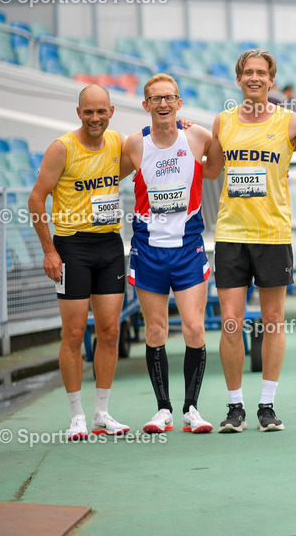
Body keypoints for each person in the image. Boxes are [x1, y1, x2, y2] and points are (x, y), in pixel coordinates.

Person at [206, 49, 296, 433]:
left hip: (273, 234)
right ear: (239, 79)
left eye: (262, 73)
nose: (255, 78)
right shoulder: (222, 121)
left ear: (271, 81)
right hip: (230, 234)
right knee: (231, 322)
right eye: (249, 72)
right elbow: (209, 169)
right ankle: (234, 408)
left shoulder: (290, 122)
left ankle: (266, 405)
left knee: (273, 320)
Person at [27, 85, 129, 439]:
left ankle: (102, 411)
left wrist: (183, 126)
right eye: (89, 112)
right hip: (72, 247)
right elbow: (36, 200)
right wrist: (49, 251)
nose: (95, 118)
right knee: (73, 333)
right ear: (78, 113)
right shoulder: (62, 148)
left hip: (111, 245)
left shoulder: (117, 143)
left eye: (101, 111)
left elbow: (152, 148)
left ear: (111, 111)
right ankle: (76, 416)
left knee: (110, 331)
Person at [121, 74, 220, 435]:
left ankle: (191, 408)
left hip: (188, 247)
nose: (163, 104)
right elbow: (107, 176)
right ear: (146, 104)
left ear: (179, 103)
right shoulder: (133, 144)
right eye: (156, 98)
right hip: (148, 248)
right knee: (156, 328)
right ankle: (162, 409)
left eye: (170, 98)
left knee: (194, 327)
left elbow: (215, 167)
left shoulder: (197, 136)